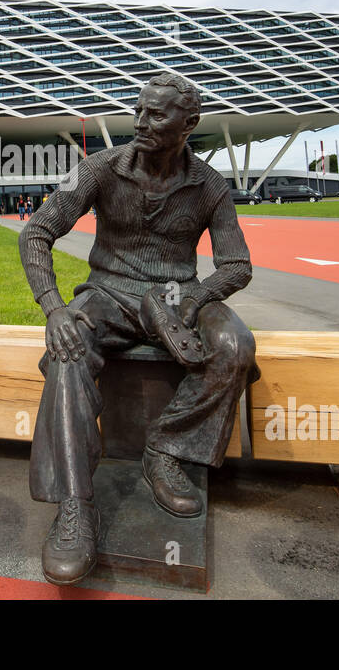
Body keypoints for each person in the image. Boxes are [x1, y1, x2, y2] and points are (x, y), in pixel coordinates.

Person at [19, 72, 259, 586]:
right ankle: (75, 507)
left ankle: (165, 451)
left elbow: (237, 265)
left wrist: (193, 299)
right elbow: (36, 231)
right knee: (69, 352)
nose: (140, 121)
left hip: (177, 298)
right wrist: (55, 309)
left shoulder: (210, 184)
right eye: (139, 110)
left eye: (156, 114)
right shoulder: (99, 168)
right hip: (105, 295)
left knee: (235, 345)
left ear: (189, 123)